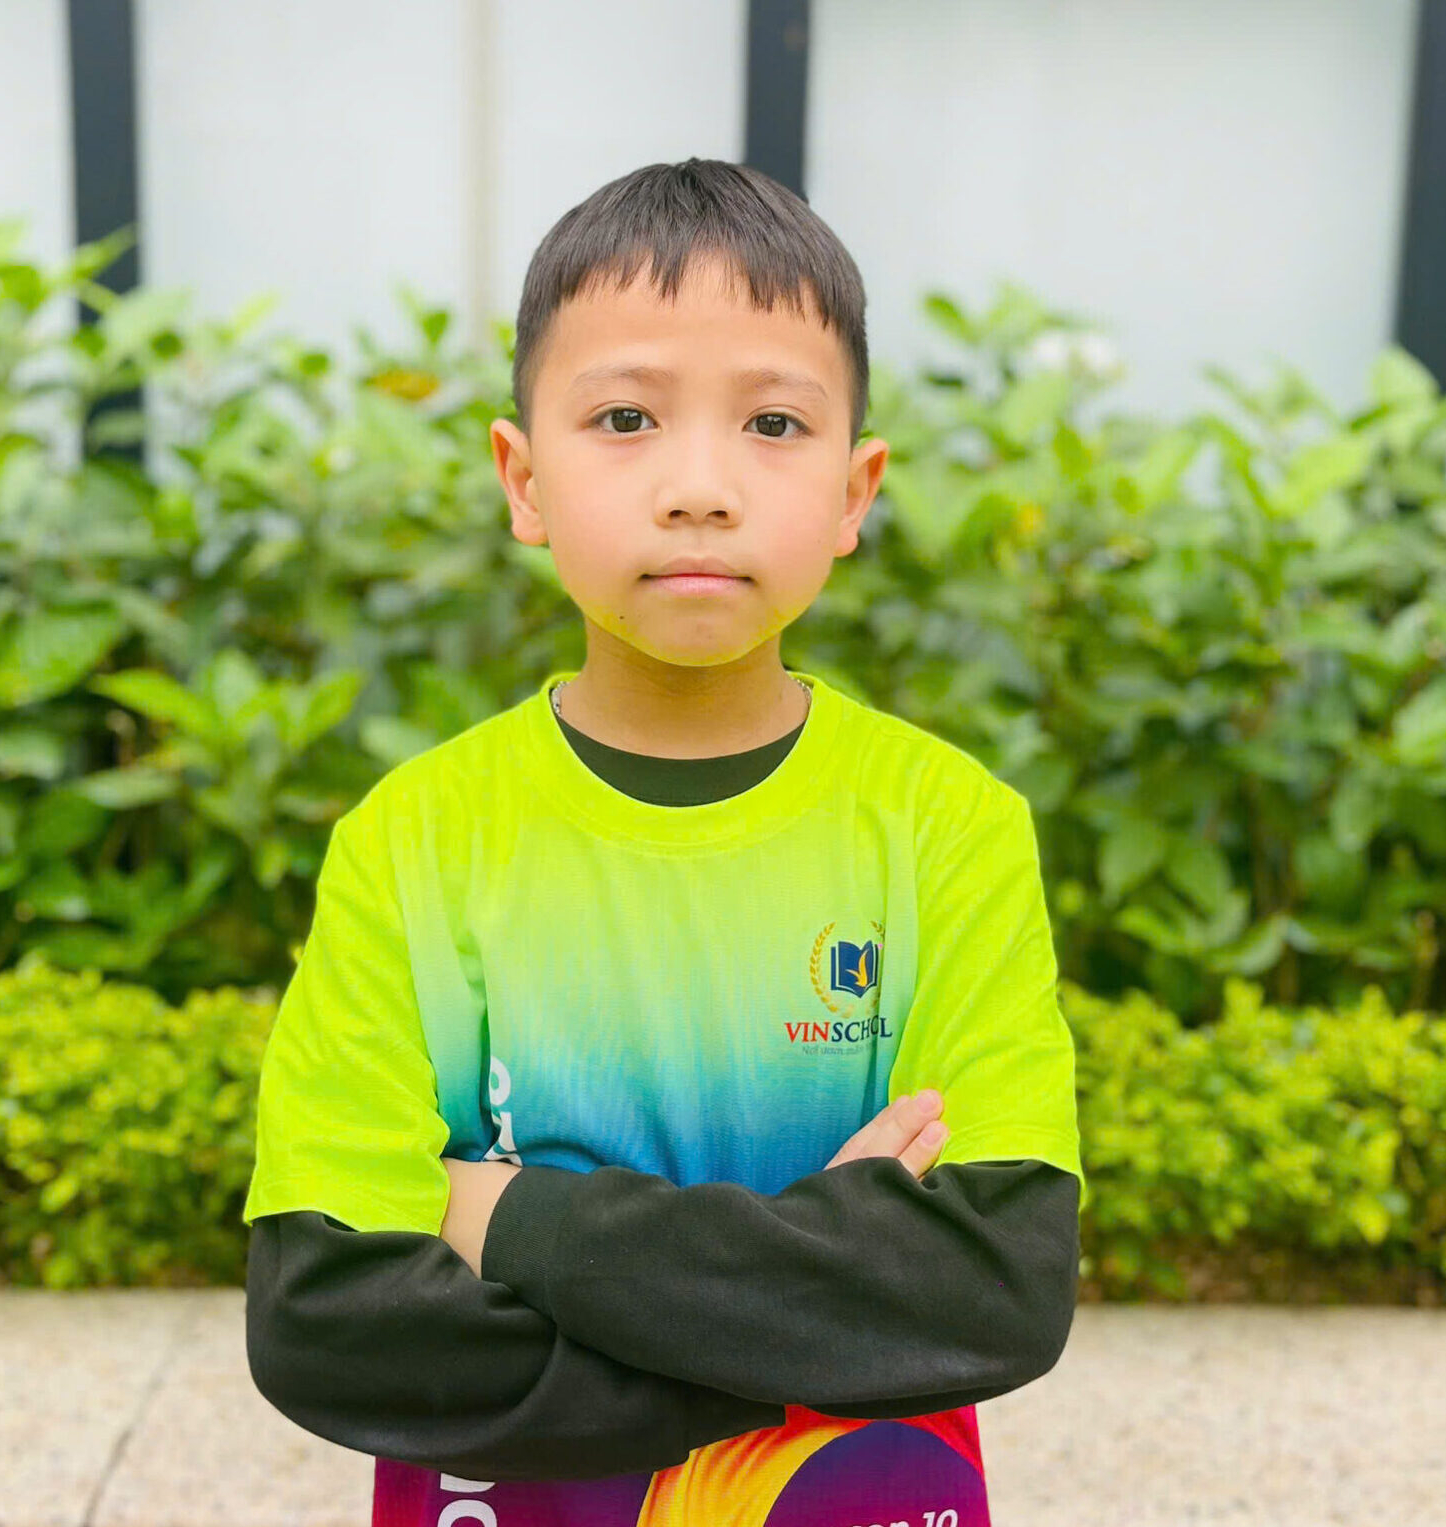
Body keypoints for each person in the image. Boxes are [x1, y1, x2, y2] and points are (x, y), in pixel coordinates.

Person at [242, 157, 1086, 1526]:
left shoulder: (948, 827)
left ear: (857, 491)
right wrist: (822, 1299)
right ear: (523, 479)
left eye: (773, 423)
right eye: (626, 417)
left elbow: (992, 1286)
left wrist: (501, 1217)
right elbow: (329, 1318)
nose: (700, 486)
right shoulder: (418, 839)